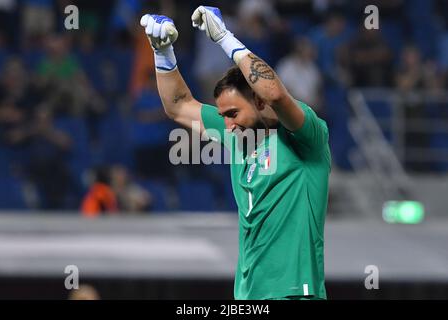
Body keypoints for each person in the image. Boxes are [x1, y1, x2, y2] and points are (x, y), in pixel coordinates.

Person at [140, 6, 330, 300]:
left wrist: (226, 39)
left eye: (233, 113)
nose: (226, 125)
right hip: (248, 297)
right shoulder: (237, 136)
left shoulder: (307, 139)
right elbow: (178, 105)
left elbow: (276, 93)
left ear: (259, 102)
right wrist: (162, 52)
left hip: (295, 293)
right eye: (223, 115)